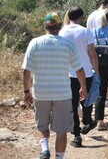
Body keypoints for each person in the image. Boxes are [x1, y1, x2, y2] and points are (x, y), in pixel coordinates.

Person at [22, 12, 88, 159]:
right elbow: (79, 70)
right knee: (61, 131)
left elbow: (26, 71)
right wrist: (83, 87)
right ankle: (59, 157)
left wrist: (26, 91)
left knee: (42, 127)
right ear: (59, 27)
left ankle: (45, 149)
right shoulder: (67, 45)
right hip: (62, 94)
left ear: (45, 26)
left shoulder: (35, 43)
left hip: (41, 93)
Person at [58, 7, 99, 148]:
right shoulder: (85, 31)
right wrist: (97, 71)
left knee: (72, 104)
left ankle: (76, 135)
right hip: (86, 71)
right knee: (86, 101)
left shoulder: (61, 32)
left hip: (68, 74)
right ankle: (87, 122)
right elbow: (92, 53)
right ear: (81, 17)